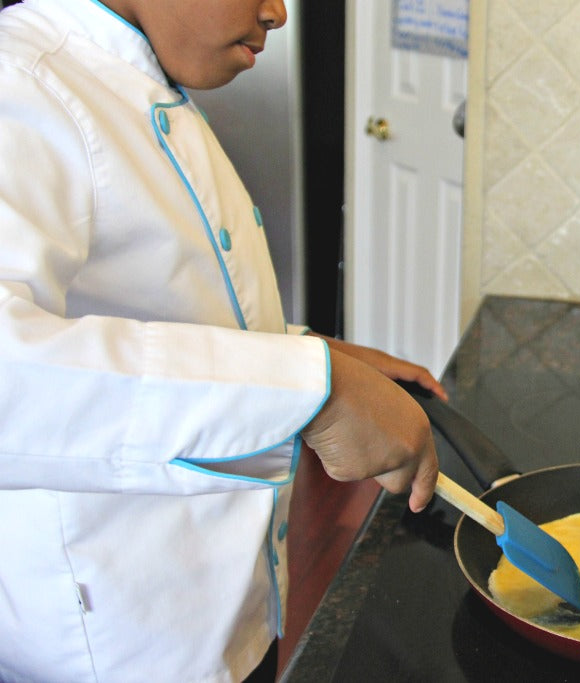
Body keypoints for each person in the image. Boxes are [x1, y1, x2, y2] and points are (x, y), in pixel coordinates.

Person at [0, 0, 444, 680]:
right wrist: (312, 391)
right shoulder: (19, 80)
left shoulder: (140, 75)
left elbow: (168, 309)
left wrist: (318, 351)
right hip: (119, 642)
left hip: (230, 610)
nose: (277, 13)